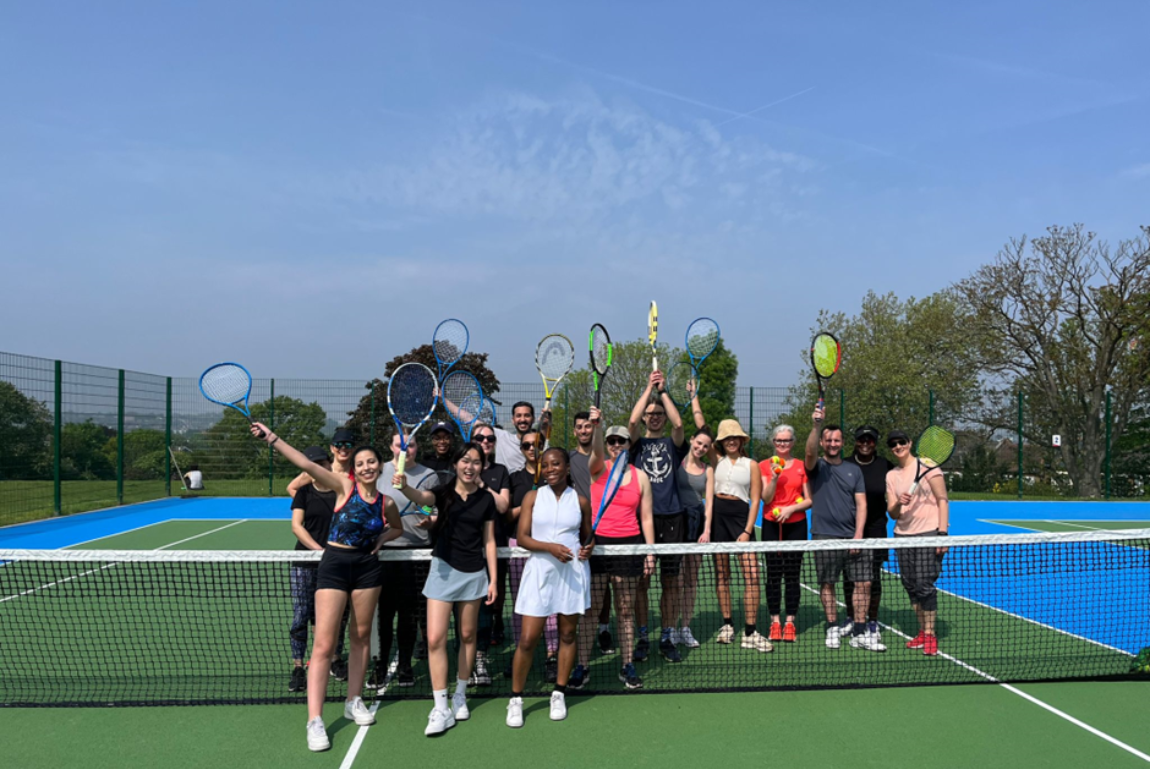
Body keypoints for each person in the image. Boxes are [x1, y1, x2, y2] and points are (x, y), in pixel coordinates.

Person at [251, 422, 402, 753]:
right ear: (354, 468)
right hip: (333, 566)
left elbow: (398, 528)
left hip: (366, 569)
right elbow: (304, 464)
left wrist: (382, 538)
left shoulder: (386, 502)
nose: (365, 467)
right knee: (323, 644)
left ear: (379, 466)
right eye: (360, 463)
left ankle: (354, 699)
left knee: (361, 637)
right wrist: (273, 438)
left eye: (371, 462)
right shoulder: (342, 487)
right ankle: (315, 720)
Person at [395, 442, 498, 737]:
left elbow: (489, 541)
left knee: (468, 636)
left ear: (482, 466)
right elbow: (422, 499)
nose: (470, 466)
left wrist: (492, 579)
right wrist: (404, 488)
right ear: (455, 463)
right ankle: (440, 707)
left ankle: (460, 694)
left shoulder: (486, 501)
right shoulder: (442, 493)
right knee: (435, 638)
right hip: (442, 572)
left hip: (474, 574)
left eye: (476, 462)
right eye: (465, 460)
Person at [506, 448, 593, 727]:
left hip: (572, 574)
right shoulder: (532, 497)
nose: (550, 468)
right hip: (539, 572)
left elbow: (587, 537)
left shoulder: (581, 501)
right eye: (545, 465)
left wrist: (589, 548)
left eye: (556, 464)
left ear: (567, 467)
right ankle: (516, 699)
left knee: (568, 634)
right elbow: (522, 538)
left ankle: (559, 692)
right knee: (529, 639)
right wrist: (550, 548)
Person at [573, 419, 655, 691]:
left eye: (622, 441)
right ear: (606, 445)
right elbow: (594, 451)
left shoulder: (640, 476)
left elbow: (646, 518)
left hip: (629, 546)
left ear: (629, 445)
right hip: (598, 546)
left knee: (625, 610)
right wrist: (597, 427)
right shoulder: (598, 468)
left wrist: (650, 552)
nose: (617, 445)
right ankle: (582, 667)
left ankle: (627, 665)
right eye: (612, 441)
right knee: (591, 611)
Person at [803, 408, 885, 653]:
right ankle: (831, 626)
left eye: (836, 440)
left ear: (842, 443)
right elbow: (808, 452)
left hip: (853, 536)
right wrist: (816, 425)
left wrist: (858, 535)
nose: (832, 443)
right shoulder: (816, 466)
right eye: (828, 440)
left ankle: (860, 632)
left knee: (865, 583)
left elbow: (862, 504)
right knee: (828, 583)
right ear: (822, 442)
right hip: (824, 535)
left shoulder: (854, 470)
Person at [627, 371, 687, 663]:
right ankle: (642, 636)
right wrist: (647, 388)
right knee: (641, 582)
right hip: (641, 521)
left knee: (671, 583)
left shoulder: (673, 445)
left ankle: (667, 635)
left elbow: (679, 423)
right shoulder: (636, 445)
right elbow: (631, 422)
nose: (654, 417)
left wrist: (663, 392)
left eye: (658, 414)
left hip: (673, 518)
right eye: (650, 413)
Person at [371, 432, 436, 689]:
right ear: (391, 447)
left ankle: (406, 665)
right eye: (400, 445)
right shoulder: (378, 470)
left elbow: (430, 507)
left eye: (411, 445)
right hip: (384, 553)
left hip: (417, 552)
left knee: (409, 615)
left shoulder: (428, 474)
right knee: (384, 616)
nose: (405, 450)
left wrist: (427, 517)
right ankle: (380, 665)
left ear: (417, 448)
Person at [288, 447, 349, 691]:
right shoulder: (303, 493)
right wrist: (317, 550)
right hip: (305, 563)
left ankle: (334, 659)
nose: (319, 468)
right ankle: (298, 667)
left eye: (323, 464)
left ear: (329, 466)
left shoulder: (341, 492)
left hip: (336, 563)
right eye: (314, 465)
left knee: (337, 617)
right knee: (301, 615)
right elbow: (297, 526)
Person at [707, 420, 770, 652]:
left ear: (741, 440)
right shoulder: (715, 460)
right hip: (718, 517)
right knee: (722, 575)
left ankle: (750, 631)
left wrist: (747, 530)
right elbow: (702, 425)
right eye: (726, 438)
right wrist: (694, 399)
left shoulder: (751, 464)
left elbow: (755, 499)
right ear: (721, 442)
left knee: (752, 575)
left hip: (741, 518)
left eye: (735, 437)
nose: (731, 441)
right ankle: (727, 625)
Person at [886, 429, 949, 656]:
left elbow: (942, 500)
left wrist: (942, 534)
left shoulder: (929, 467)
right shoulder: (892, 475)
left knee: (924, 585)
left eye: (901, 442)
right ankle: (922, 631)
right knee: (911, 586)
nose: (898, 446)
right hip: (902, 535)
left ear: (910, 443)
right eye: (893, 444)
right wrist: (898, 503)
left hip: (928, 533)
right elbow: (892, 513)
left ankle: (930, 635)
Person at [506, 431, 559, 679]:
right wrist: (528, 504)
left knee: (551, 603)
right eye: (526, 445)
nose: (531, 448)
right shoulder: (514, 478)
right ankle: (520, 653)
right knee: (521, 603)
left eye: (536, 444)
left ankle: (552, 655)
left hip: (547, 546)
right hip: (519, 546)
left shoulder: (553, 476)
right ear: (521, 449)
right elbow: (506, 516)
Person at [759, 424, 811, 643]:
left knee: (792, 575)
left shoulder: (801, 466)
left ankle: (789, 622)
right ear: (773, 442)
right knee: (773, 575)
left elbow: (809, 500)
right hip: (771, 524)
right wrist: (773, 477)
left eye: (787, 440)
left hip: (796, 525)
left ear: (793, 442)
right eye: (779, 441)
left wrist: (791, 509)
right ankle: (775, 622)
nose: (783, 444)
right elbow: (766, 498)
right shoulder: (764, 465)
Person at [844, 425, 895, 644]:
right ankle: (851, 617)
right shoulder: (845, 464)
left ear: (875, 442)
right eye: (861, 440)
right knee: (849, 577)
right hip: (848, 527)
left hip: (876, 529)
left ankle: (872, 621)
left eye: (870, 440)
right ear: (855, 441)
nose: (865, 444)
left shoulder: (885, 465)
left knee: (873, 578)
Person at [470, 422, 511, 686]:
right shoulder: (462, 468)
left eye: (490, 438)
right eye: (480, 437)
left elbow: (504, 505)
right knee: (466, 611)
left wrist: (482, 485)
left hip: (494, 549)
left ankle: (481, 658)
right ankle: (468, 659)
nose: (486, 441)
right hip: (467, 552)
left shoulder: (500, 471)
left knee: (488, 608)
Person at [569, 410, 613, 651]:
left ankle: (604, 629)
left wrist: (600, 423)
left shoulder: (604, 460)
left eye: (588, 426)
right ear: (574, 431)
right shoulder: (568, 459)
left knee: (603, 585)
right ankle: (575, 630)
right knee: (580, 582)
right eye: (580, 427)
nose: (584, 431)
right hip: (578, 530)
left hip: (604, 527)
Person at [673, 426, 713, 649]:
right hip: (676, 524)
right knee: (675, 581)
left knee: (691, 581)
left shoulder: (708, 470)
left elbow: (709, 504)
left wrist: (706, 531)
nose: (700, 448)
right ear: (691, 440)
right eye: (698, 443)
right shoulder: (675, 463)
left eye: (705, 446)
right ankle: (671, 628)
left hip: (696, 525)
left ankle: (685, 628)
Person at [288, 427, 356, 498]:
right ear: (332, 448)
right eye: (338, 445)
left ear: (353, 449)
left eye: (348, 444)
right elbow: (292, 488)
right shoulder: (320, 470)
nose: (343, 448)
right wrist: (309, 506)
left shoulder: (358, 473)